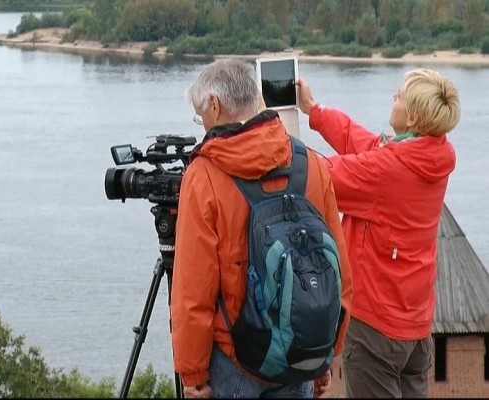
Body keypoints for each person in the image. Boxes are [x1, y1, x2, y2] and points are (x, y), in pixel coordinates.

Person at [170, 58, 353, 399]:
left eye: (201, 116)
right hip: (300, 349)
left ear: (214, 105)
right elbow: (339, 271)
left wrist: (193, 373)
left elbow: (193, 290)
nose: (203, 124)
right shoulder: (311, 163)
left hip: (236, 359)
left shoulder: (204, 176)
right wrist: (326, 352)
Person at [296, 68, 461, 398]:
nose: (393, 98)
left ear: (412, 116)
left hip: (375, 328)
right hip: (414, 325)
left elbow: (318, 174)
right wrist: (315, 111)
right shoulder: (434, 154)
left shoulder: (389, 171)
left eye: (398, 95)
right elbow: (369, 145)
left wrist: (271, 143)